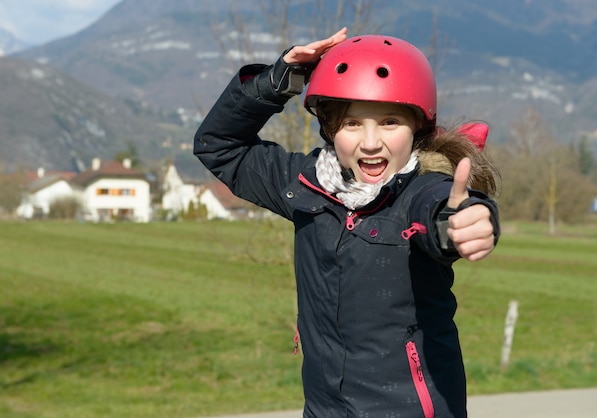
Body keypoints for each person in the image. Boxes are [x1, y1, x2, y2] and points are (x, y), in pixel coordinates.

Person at [194, 28, 500, 418]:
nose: (370, 142)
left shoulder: (424, 191)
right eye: (352, 124)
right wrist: (282, 80)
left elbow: (439, 213)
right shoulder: (304, 185)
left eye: (389, 122)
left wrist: (462, 221)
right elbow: (219, 145)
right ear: (329, 127)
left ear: (417, 127)